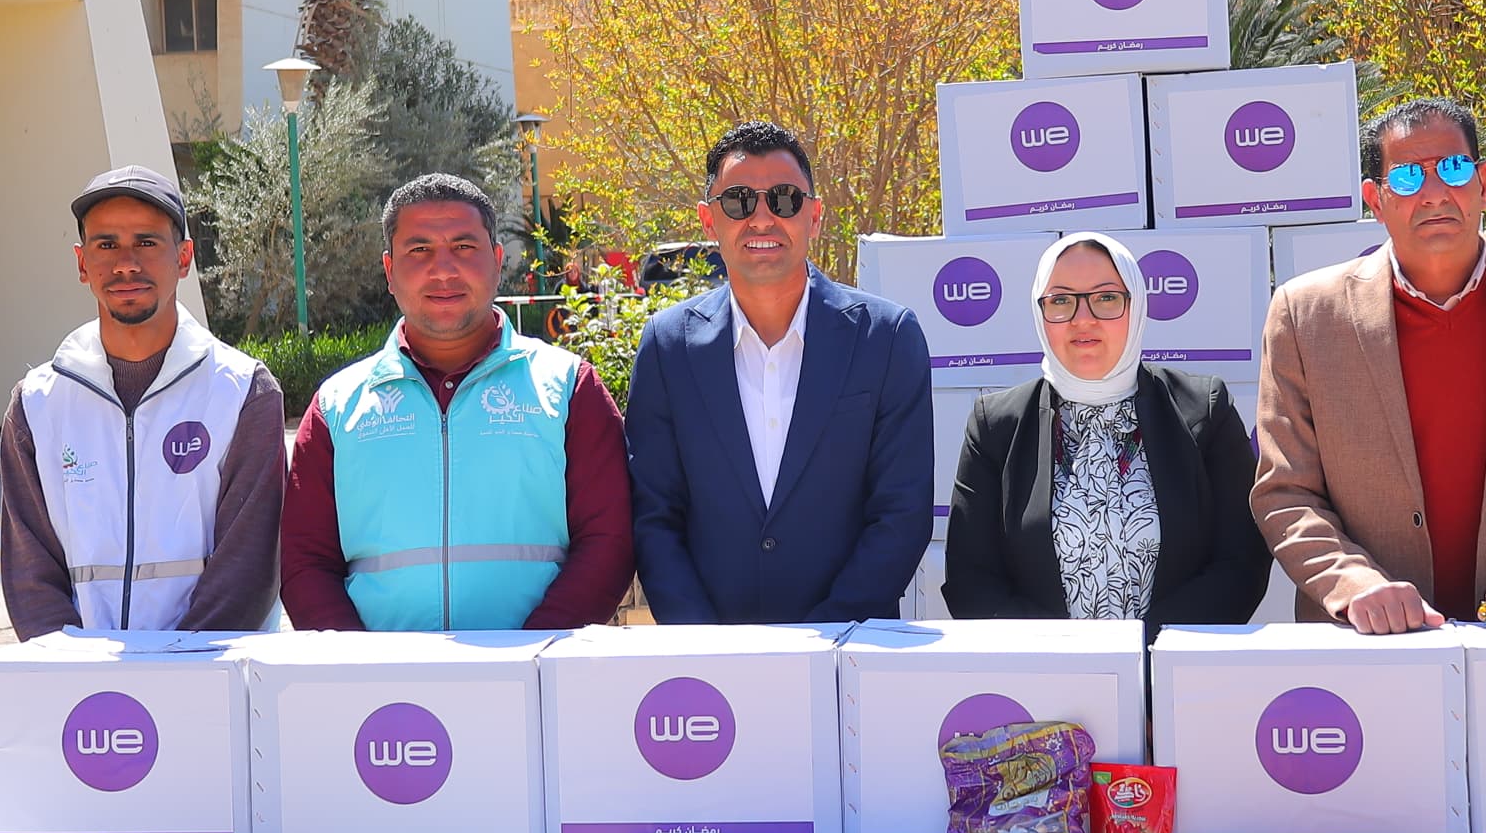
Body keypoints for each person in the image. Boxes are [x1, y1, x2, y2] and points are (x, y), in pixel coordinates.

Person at [1253, 97, 1486, 631]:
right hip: (1361, 645)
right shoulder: (1305, 315)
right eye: (1407, 177)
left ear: (1485, 183)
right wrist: (1355, 585)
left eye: (1454, 168)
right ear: (1376, 200)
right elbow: (1286, 491)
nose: (1434, 193)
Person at [280, 173, 633, 631]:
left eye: (464, 247)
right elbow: (305, 562)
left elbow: (608, 542)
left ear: (497, 261)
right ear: (389, 271)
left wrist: (527, 657)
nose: (443, 270)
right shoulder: (337, 405)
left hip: (539, 667)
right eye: (419, 250)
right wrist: (362, 663)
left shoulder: (569, 388)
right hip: (381, 674)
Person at [625, 120, 932, 623]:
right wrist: (706, 643)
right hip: (712, 656)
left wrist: (821, 646)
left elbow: (902, 513)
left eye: (785, 200)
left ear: (814, 216)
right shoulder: (667, 346)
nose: (762, 218)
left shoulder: (886, 338)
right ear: (709, 220)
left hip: (851, 650)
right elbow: (654, 517)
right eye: (739, 201)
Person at [1, 165, 283, 638]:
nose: (126, 263)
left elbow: (248, 569)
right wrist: (71, 667)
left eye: (147, 242)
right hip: (80, 679)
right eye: (106, 245)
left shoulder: (242, 393)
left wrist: (176, 668)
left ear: (184, 257)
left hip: (210, 671)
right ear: (81, 263)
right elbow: (30, 573)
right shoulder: (37, 405)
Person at [942, 231, 1270, 629]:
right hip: (1041, 665)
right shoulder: (995, 426)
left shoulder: (1204, 410)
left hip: (1174, 661)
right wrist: (1068, 653)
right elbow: (971, 580)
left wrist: (1146, 647)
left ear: (1137, 304)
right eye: (1061, 301)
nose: (1083, 318)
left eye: (1107, 298)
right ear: (1039, 312)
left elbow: (1240, 563)